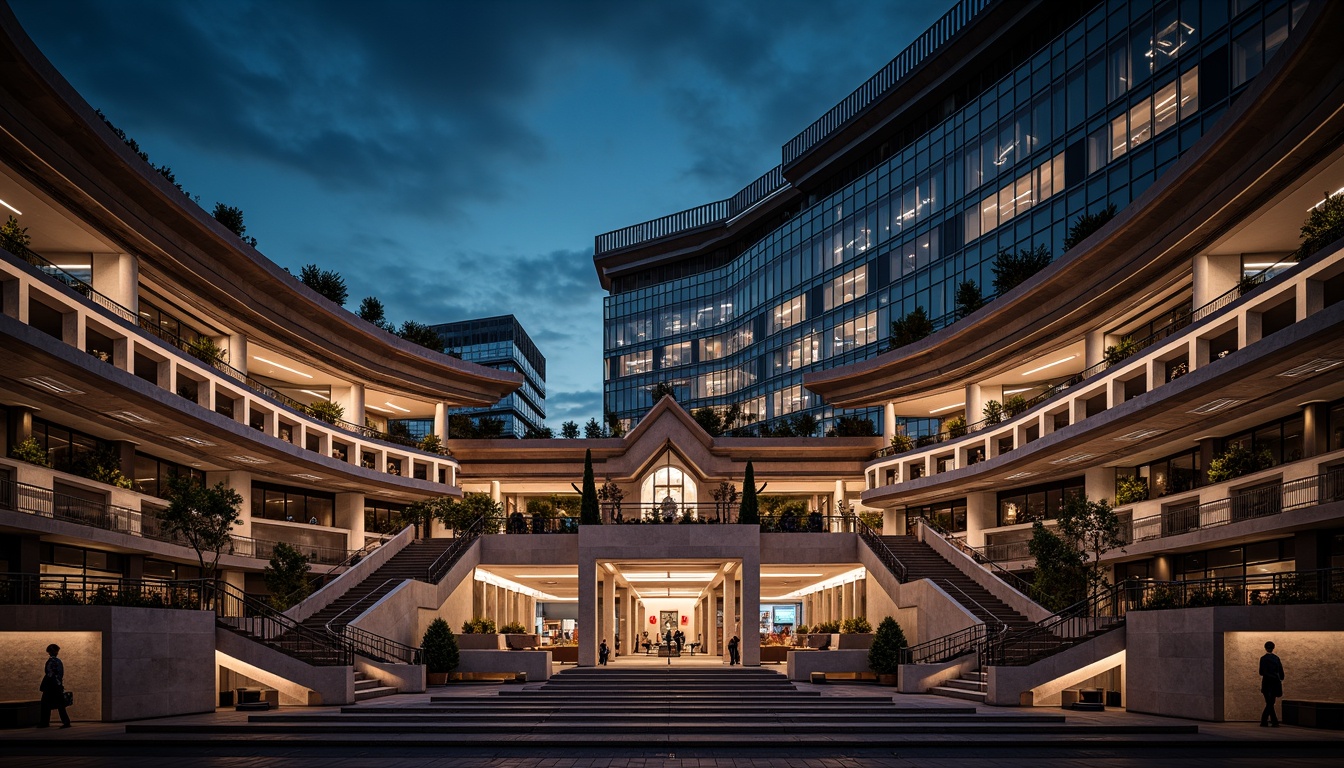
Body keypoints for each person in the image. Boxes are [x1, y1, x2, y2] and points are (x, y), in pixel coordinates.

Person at [38, 643, 71, 728]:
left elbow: (49, 673)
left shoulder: (51, 661)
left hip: (50, 686)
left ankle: (44, 722)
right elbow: (59, 674)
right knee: (60, 705)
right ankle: (66, 722)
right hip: (56, 686)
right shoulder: (58, 662)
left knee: (45, 704)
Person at [1259, 640, 1285, 727]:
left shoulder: (1263, 659)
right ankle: (1273, 722)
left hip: (1266, 683)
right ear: (1273, 648)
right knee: (1271, 702)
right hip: (1275, 683)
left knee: (1269, 702)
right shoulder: (1276, 658)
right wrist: (1280, 678)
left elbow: (1261, 672)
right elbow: (1281, 673)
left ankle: (1265, 721)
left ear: (1265, 648)